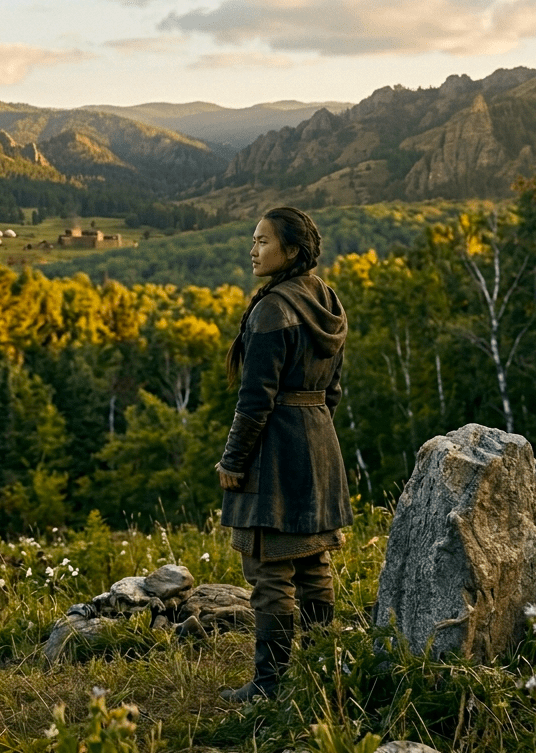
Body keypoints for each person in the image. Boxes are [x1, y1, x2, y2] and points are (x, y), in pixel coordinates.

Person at [215, 206, 351, 702]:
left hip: (274, 450)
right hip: (318, 441)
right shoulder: (327, 299)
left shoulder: (273, 308)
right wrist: (311, 432)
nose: (253, 250)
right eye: (253, 240)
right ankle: (322, 676)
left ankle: (269, 687)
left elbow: (255, 401)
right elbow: (332, 389)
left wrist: (233, 461)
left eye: (263, 241)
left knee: (269, 569)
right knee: (313, 565)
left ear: (291, 251)